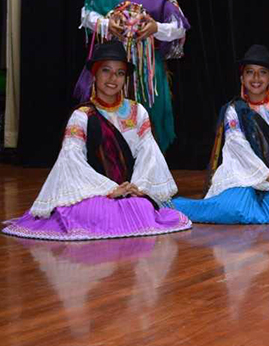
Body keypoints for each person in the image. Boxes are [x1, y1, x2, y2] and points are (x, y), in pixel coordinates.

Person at [3, 42, 189, 240]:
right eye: (106, 71)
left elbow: (149, 155)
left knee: (141, 206)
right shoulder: (81, 116)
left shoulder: (137, 112)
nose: (112, 78)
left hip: (130, 192)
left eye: (119, 73)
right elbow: (72, 162)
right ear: (95, 73)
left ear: (125, 78)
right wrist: (109, 190)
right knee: (88, 211)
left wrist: (138, 187)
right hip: (95, 192)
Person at [172, 45, 269, 224]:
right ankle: (177, 206)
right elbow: (240, 151)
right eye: (250, 72)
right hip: (244, 177)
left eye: (262, 72)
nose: (256, 78)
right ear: (242, 78)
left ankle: (262, 210)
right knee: (238, 207)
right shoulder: (234, 110)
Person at [76, 0, 190, 151]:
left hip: (149, 70)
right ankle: (110, 162)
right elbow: (86, 14)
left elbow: (179, 28)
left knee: (152, 111)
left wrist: (157, 28)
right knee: (110, 108)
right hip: (113, 61)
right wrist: (106, 23)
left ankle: (148, 168)